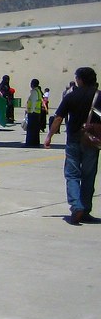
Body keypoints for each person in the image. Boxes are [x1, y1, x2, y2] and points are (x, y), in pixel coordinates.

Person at [45, 66, 100, 225]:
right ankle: (86, 210)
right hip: (92, 142)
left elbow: (58, 118)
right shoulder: (99, 96)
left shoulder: (71, 96)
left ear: (80, 79)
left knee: (72, 175)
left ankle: (76, 205)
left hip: (74, 139)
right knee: (89, 176)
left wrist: (49, 136)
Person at [24, 78, 45, 147]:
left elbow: (33, 102)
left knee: (31, 130)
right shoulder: (38, 91)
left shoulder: (34, 92)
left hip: (33, 113)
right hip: (37, 112)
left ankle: (30, 143)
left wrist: (30, 111)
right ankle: (35, 143)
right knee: (35, 130)